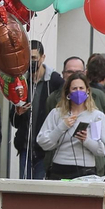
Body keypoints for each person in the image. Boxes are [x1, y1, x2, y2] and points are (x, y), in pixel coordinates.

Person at [36, 71, 105, 180]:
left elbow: (102, 150)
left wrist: (86, 140)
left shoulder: (96, 117)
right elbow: (44, 143)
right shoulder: (56, 114)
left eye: (81, 88)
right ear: (68, 93)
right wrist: (62, 127)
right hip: (59, 168)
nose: (78, 91)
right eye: (74, 89)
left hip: (86, 170)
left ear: (87, 91)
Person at [11, 40, 60, 179]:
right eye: (27, 58)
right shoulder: (21, 82)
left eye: (33, 58)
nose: (30, 62)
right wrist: (17, 113)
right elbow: (14, 121)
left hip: (46, 149)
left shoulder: (55, 82)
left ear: (42, 58)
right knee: (24, 190)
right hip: (25, 147)